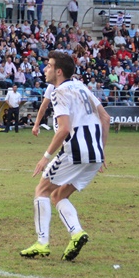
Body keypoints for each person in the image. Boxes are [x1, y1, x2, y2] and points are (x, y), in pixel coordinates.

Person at [21, 51, 110, 262]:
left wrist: (45, 157)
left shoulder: (59, 92)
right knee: (58, 195)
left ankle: (42, 243)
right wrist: (102, 151)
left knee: (42, 190)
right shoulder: (82, 87)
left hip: (75, 151)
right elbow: (105, 118)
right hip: (95, 154)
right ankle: (77, 233)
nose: (45, 69)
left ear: (58, 71)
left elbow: (64, 129)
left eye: (49, 66)